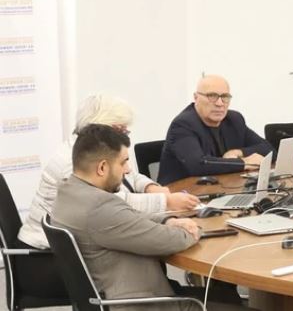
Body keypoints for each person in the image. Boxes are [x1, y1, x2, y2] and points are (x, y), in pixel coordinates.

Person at [49, 124, 204, 311]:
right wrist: (194, 229)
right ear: (102, 168)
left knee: (221, 296)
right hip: (143, 304)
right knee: (229, 303)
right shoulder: (100, 207)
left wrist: (167, 220)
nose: (128, 170)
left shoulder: (68, 192)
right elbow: (169, 241)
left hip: (111, 297)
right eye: (123, 162)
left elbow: (130, 218)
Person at [19, 95, 200, 250]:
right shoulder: (73, 160)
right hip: (49, 251)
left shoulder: (92, 149)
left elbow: (128, 174)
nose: (125, 134)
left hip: (80, 242)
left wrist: (151, 188)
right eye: (121, 129)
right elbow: (111, 204)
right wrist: (166, 202)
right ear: (101, 126)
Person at [157, 75, 271, 184]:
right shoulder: (183, 125)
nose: (220, 103)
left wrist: (238, 152)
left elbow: (268, 149)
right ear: (196, 97)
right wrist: (244, 163)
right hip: (181, 192)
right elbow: (198, 164)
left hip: (221, 187)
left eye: (225, 97)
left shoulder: (234, 120)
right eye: (212, 96)